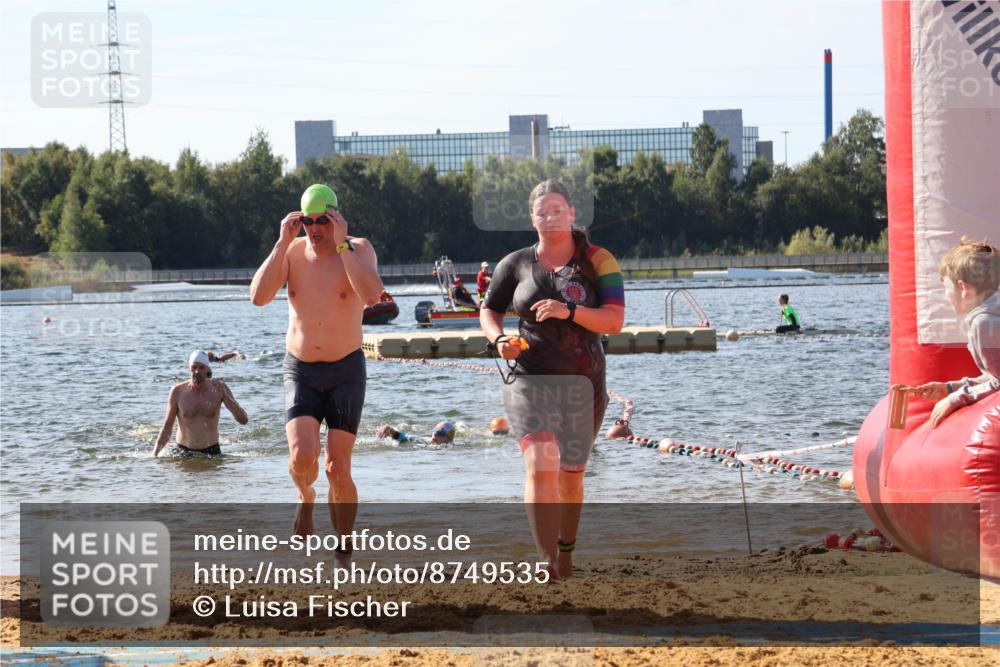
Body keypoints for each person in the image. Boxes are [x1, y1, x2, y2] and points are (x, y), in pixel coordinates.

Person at [479, 178, 625, 579]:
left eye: (558, 210)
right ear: (532, 218)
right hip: (529, 378)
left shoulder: (599, 261)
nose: (550, 218)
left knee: (570, 478)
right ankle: (544, 559)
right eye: (542, 212)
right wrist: (499, 340)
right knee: (541, 459)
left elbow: (614, 321)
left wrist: (569, 311)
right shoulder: (515, 264)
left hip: (583, 382)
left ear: (571, 214)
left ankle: (565, 551)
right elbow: (489, 310)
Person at [249, 183, 383, 560]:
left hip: (346, 370)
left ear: (336, 218)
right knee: (301, 456)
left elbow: (373, 295)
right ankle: (305, 496)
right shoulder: (291, 253)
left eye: (322, 220)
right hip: (301, 369)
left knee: (337, 467)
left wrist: (342, 247)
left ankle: (343, 546)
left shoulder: (359, 249)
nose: (314, 229)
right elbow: (258, 298)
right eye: (307, 221)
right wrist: (281, 243)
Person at [906, 238, 1000, 427]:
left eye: (947, 288)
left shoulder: (984, 323)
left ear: (963, 288)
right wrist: (950, 389)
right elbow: (994, 378)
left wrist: (956, 399)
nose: (946, 296)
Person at [153, 351, 249, 457]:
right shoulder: (177, 391)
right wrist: (154, 454)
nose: (197, 371)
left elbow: (243, 420)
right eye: (194, 367)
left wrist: (226, 397)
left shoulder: (219, 388)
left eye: (201, 367)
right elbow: (167, 427)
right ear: (189, 368)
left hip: (211, 452)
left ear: (207, 369)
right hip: (183, 451)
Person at [375, 421, 456, 445]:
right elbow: (406, 436)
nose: (434, 435)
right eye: (434, 431)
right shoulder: (424, 441)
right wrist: (390, 430)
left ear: (449, 439)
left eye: (440, 433)